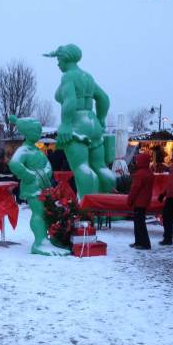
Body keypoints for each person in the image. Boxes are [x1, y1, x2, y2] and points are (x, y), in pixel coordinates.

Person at [44, 44, 115, 199]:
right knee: (100, 167)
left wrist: (66, 123)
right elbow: (103, 98)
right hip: (93, 122)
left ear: (65, 58)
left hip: (77, 124)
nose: (57, 63)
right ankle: (108, 205)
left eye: (58, 59)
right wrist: (101, 119)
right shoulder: (87, 77)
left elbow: (70, 100)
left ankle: (87, 207)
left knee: (82, 167)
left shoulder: (68, 76)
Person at [8, 115, 70, 256]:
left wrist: (47, 170)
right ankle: (40, 242)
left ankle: (48, 239)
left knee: (46, 212)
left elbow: (47, 163)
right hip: (33, 187)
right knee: (39, 213)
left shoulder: (36, 150)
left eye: (39, 131)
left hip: (44, 185)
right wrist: (29, 176)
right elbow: (14, 164)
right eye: (36, 131)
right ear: (27, 132)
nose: (38, 134)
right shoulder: (23, 150)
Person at [127, 153, 154, 250]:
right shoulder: (148, 172)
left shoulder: (140, 174)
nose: (135, 162)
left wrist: (129, 200)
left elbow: (135, 189)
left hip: (139, 201)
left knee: (139, 223)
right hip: (144, 201)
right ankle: (139, 242)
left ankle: (144, 243)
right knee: (139, 222)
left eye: (137, 160)